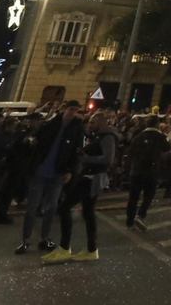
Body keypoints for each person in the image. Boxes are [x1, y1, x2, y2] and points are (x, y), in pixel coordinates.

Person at [45, 111, 118, 263]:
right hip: (92, 176)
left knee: (65, 207)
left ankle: (65, 247)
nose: (89, 125)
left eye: (92, 122)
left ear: (101, 122)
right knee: (88, 212)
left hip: (91, 178)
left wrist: (87, 158)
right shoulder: (101, 136)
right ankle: (91, 249)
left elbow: (108, 159)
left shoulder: (107, 137)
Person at [17, 101, 84, 255]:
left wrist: (70, 170)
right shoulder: (51, 124)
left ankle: (44, 237)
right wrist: (31, 142)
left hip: (58, 172)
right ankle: (26, 239)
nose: (73, 113)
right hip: (41, 169)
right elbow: (33, 137)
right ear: (64, 109)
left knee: (51, 207)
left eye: (75, 110)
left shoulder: (76, 129)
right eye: (71, 109)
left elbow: (76, 151)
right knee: (33, 206)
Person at [125, 120, 171, 230]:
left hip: (136, 170)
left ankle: (129, 221)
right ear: (156, 125)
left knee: (133, 197)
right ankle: (141, 214)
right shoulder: (159, 137)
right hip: (151, 170)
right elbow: (167, 148)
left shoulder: (138, 137)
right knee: (149, 194)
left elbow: (130, 152)